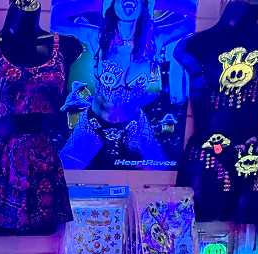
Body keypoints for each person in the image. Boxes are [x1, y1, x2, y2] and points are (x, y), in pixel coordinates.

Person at [52, 0, 195, 169]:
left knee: (160, 170)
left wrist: (153, 2)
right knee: (62, 171)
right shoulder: (96, 37)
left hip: (134, 125)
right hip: (93, 123)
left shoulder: (155, 39)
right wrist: (100, 2)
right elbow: (53, 19)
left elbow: (194, 17)